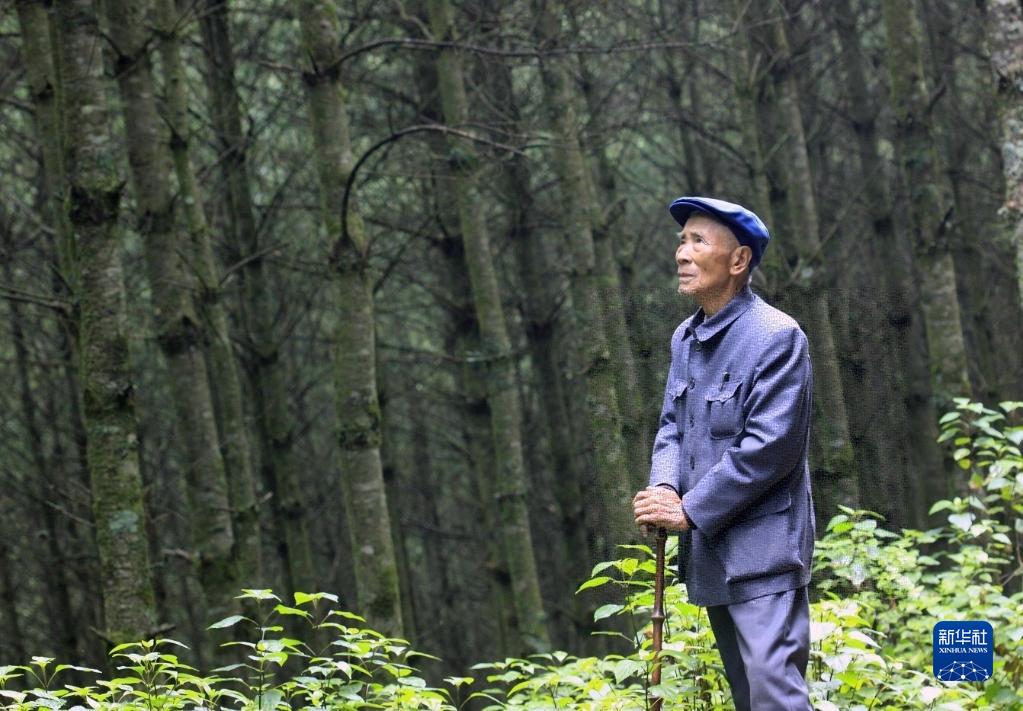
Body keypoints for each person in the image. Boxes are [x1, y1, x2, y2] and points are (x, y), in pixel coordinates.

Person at [632, 196, 816, 711]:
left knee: (774, 695)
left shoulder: (778, 337)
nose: (681, 254)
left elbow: (769, 449)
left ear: (738, 261)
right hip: (712, 551)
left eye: (698, 241)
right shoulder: (685, 339)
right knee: (747, 697)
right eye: (681, 240)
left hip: (765, 551)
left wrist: (688, 509)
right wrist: (665, 488)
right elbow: (672, 425)